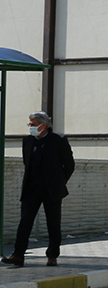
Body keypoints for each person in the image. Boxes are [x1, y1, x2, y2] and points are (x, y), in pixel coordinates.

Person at [3, 112, 75, 267]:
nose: (30, 127)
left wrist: (59, 182)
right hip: (31, 188)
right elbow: (27, 162)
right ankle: (18, 255)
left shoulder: (58, 141)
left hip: (51, 189)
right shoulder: (28, 141)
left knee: (53, 222)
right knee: (25, 221)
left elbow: (69, 165)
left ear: (43, 125)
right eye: (29, 124)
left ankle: (52, 255)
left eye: (33, 124)